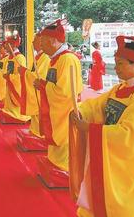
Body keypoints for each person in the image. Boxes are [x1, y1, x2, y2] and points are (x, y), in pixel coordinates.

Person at [70, 36, 134, 217]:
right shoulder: (119, 89)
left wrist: (89, 129)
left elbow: (129, 136)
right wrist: (80, 111)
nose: (117, 68)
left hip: (128, 164)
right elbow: (96, 106)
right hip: (109, 152)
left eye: (121, 64)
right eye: (116, 63)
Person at [33, 19, 83, 171]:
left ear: (54, 41)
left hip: (65, 112)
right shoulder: (55, 60)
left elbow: (65, 93)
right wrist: (44, 85)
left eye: (43, 42)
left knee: (64, 139)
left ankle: (64, 166)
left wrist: (43, 85)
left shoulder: (68, 59)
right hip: (56, 111)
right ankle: (55, 160)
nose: (40, 46)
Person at [18, 33, 51, 137]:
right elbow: (33, 73)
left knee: (39, 111)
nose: (32, 43)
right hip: (36, 90)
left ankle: (39, 132)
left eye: (34, 41)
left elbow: (39, 76)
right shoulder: (38, 57)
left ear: (40, 42)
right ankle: (35, 129)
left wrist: (24, 72)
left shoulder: (45, 57)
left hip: (41, 91)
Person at [1, 33, 31, 122]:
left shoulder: (20, 58)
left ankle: (17, 116)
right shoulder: (8, 57)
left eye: (7, 44)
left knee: (14, 102)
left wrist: (10, 77)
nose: (5, 46)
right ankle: (9, 113)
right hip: (9, 83)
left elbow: (20, 75)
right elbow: (3, 68)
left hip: (14, 84)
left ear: (13, 45)